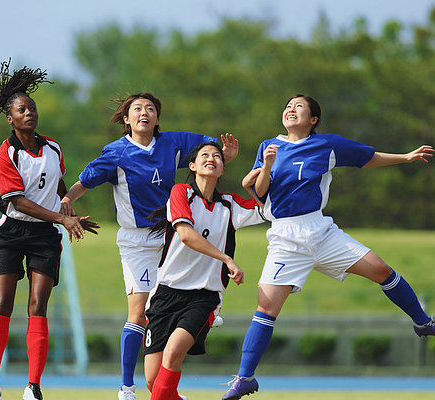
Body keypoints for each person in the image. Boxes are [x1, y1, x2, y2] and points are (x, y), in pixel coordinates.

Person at [222, 94, 434, 400]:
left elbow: (367, 156)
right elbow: (259, 192)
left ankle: (423, 323)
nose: (290, 109)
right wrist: (266, 164)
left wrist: (404, 157)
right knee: (266, 308)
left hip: (319, 229)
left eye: (299, 107)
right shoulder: (269, 145)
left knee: (382, 270)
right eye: (288, 106)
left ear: (313, 120)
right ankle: (244, 379)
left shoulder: (327, 144)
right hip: (284, 236)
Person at [61, 92, 238, 400]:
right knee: (140, 313)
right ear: (126, 119)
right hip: (138, 241)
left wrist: (224, 153)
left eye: (151, 109)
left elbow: (208, 151)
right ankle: (126, 387)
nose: (145, 112)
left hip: (172, 234)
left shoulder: (171, 143)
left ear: (157, 118)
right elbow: (86, 180)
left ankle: (204, 323)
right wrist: (65, 201)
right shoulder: (116, 152)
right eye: (137, 109)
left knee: (188, 296)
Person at [0, 60, 98, 400]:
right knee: (2, 304)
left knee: (37, 305)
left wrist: (68, 209)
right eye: (22, 109)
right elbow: (19, 202)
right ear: (9, 117)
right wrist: (62, 219)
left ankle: (33, 386)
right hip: (12, 231)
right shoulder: (4, 154)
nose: (29, 112)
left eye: (32, 107)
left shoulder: (53, 148)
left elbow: (56, 185)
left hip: (44, 236)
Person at [143, 142, 265, 400]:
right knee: (153, 382)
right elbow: (186, 235)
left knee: (174, 351)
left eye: (217, 157)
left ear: (223, 168)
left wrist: (258, 179)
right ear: (192, 166)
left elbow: (270, 208)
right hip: (165, 294)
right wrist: (227, 259)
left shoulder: (231, 206)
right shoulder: (180, 192)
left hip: (204, 296)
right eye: (205, 156)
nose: (212, 159)